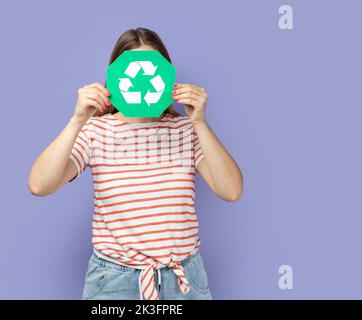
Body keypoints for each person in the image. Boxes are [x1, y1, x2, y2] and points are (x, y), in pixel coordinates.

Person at [28, 27, 243, 300]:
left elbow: (231, 190)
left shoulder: (187, 131)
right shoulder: (96, 132)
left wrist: (200, 122)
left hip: (183, 280)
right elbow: (39, 184)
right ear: (115, 77)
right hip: (114, 282)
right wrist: (76, 121)